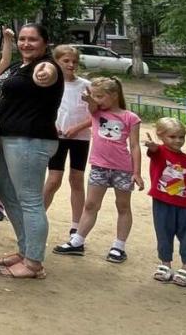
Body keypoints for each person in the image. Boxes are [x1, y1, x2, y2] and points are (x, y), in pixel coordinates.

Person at [0, 23, 63, 280]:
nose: (25, 43)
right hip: (7, 137)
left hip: (30, 140)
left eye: (32, 39)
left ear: (45, 43)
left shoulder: (46, 66)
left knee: (30, 200)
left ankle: (34, 263)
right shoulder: (17, 67)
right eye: (22, 39)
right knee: (7, 193)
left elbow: (48, 74)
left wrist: (45, 73)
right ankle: (25, 250)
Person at [53, 77, 143, 263]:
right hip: (99, 167)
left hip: (122, 169)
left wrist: (137, 172)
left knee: (123, 206)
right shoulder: (96, 113)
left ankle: (119, 246)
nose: (96, 99)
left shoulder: (130, 118)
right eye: (94, 96)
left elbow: (134, 146)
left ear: (114, 96)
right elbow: (92, 106)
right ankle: (77, 241)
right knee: (91, 205)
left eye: (100, 96)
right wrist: (91, 99)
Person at [145, 118, 186, 287]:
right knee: (163, 233)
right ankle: (165, 264)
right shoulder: (159, 152)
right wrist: (152, 145)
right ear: (161, 136)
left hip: (185, 207)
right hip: (162, 203)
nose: (178, 141)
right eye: (172, 137)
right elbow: (154, 150)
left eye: (181, 137)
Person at [44, 45, 91, 240]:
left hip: (80, 138)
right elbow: (41, 110)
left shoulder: (86, 85)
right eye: (66, 61)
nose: (71, 65)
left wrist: (78, 127)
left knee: (76, 179)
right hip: (57, 137)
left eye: (74, 61)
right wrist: (51, 126)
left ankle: (76, 226)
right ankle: (36, 217)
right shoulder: (50, 85)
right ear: (56, 62)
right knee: (54, 179)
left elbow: (95, 114)